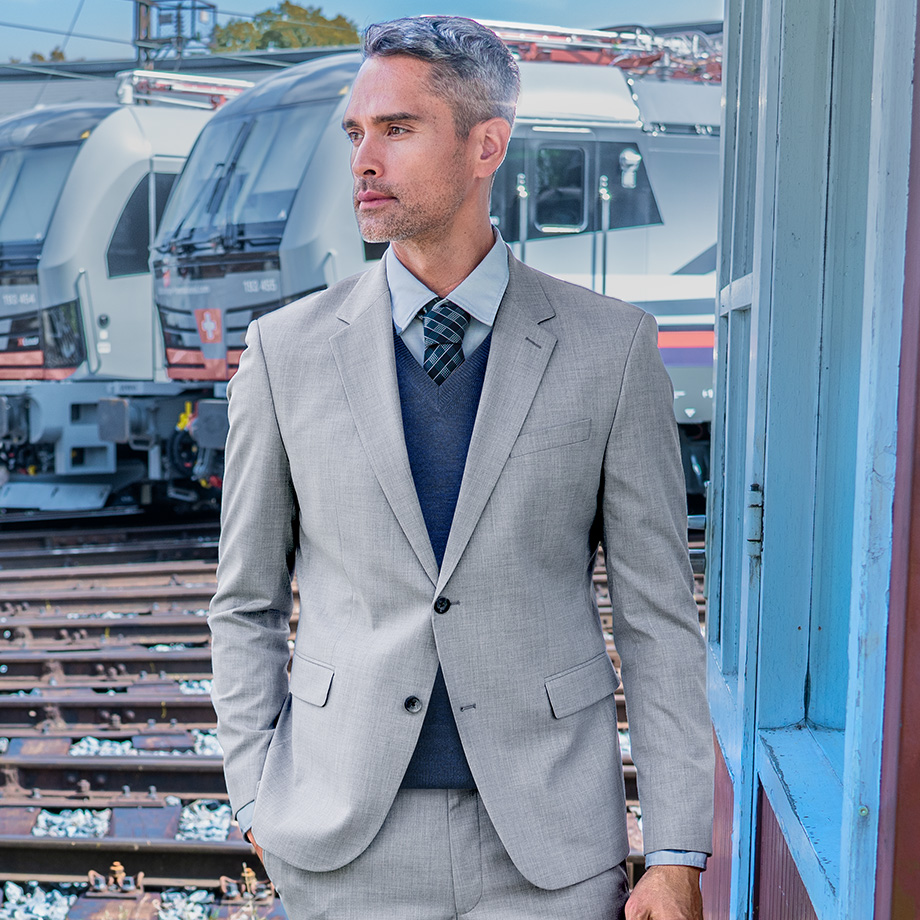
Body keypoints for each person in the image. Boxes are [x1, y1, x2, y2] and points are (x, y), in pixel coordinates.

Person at [209, 16, 713, 920]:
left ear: (488, 145)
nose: (364, 159)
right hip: (341, 842)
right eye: (355, 133)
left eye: (397, 130)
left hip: (548, 844)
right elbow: (244, 600)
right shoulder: (284, 353)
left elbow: (658, 619)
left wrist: (674, 850)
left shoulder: (613, 348)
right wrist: (253, 794)